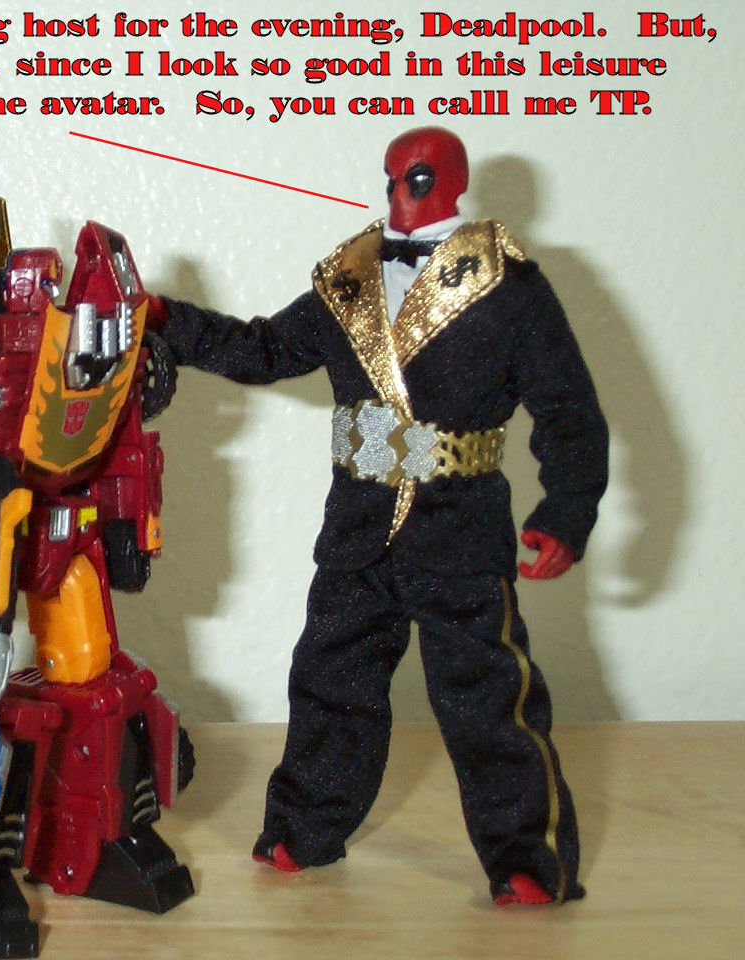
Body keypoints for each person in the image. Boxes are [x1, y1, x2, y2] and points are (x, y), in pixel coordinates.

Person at [151, 127, 608, 904]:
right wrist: (168, 319)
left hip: (459, 527)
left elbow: (568, 409)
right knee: (330, 681)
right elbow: (263, 349)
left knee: (487, 697)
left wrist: (565, 512)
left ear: (452, 183)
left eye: (417, 179)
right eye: (392, 178)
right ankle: (304, 827)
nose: (401, 196)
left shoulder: (506, 285)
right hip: (359, 525)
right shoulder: (351, 281)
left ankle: (526, 858)